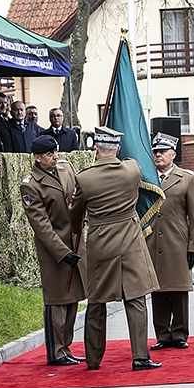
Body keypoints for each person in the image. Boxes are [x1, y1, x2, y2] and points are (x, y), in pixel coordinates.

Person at [69, 126, 161, 371]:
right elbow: (134, 158)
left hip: (101, 244)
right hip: (130, 241)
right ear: (117, 149)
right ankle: (140, 356)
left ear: (95, 150)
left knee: (97, 302)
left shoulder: (84, 178)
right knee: (136, 298)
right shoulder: (131, 169)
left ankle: (93, 359)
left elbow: (75, 216)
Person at [20, 134, 85, 365]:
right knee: (57, 300)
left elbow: (79, 195)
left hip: (74, 242)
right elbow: (41, 226)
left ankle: (66, 347)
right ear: (37, 158)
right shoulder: (31, 184)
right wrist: (63, 252)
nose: (55, 157)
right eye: (49, 154)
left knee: (73, 298)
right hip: (54, 250)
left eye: (55, 152)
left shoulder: (66, 168)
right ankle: (55, 351)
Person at [146, 132, 194, 350]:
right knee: (157, 290)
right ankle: (162, 334)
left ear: (173, 154)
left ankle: (179, 333)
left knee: (178, 290)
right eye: (155, 152)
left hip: (177, 243)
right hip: (152, 242)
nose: (158, 155)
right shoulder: (147, 178)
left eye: (162, 151)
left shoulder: (187, 178)